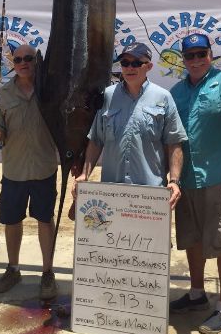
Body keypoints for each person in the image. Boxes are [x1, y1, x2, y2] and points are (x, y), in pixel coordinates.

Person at [169, 32, 221, 334]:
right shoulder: (176, 91)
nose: (195, 61)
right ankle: (196, 293)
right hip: (185, 180)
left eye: (201, 54)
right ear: (183, 59)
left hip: (219, 176)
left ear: (210, 55)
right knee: (191, 239)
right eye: (189, 56)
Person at [72, 42, 187, 209]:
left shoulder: (163, 97)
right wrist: (84, 174)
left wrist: (174, 181)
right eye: (125, 63)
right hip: (112, 193)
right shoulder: (108, 96)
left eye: (136, 63)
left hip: (150, 195)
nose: (129, 68)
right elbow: (96, 139)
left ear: (149, 66)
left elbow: (174, 142)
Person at [0, 44, 59, 301]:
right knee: (12, 220)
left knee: (45, 219)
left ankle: (47, 272)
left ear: (36, 61)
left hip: (44, 167)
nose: (23, 62)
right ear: (12, 63)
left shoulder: (51, 90)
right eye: (18, 59)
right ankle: (13, 268)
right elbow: (0, 128)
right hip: (14, 169)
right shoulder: (3, 93)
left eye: (29, 58)